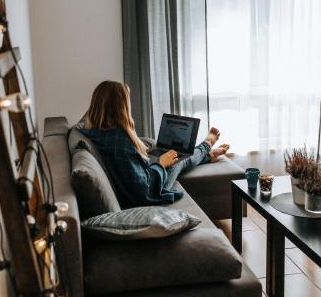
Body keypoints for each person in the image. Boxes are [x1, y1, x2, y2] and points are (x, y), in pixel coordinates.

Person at [81, 81, 230, 208]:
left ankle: (208, 155)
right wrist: (161, 163)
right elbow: (143, 189)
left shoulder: (93, 131)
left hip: (141, 177)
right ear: (120, 108)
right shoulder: (120, 140)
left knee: (173, 153)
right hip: (150, 191)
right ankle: (207, 145)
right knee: (180, 158)